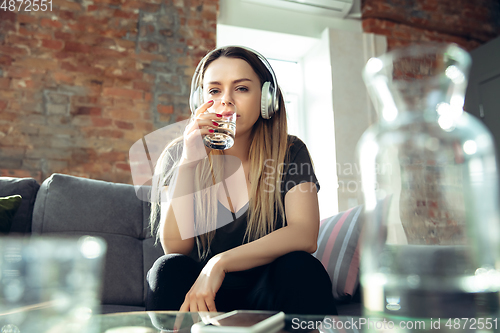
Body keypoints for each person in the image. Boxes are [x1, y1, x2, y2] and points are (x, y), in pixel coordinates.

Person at [146, 46, 337, 315]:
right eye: (214, 90)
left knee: (301, 266)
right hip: (204, 297)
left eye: (241, 89)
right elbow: (176, 247)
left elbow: (305, 235)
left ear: (266, 99)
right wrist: (189, 162)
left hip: (269, 290)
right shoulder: (178, 154)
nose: (226, 100)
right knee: (168, 268)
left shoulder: (291, 151)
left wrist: (220, 263)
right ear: (198, 101)